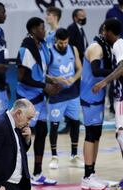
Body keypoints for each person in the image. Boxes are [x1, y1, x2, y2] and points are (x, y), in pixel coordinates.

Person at [92, 18, 123, 190]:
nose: (103, 34)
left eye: (104, 31)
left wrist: (103, 82)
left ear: (108, 31)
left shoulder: (119, 44)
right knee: (122, 135)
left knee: (122, 136)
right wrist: (121, 70)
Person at [16, 17, 60, 185]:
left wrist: (51, 81)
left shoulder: (40, 46)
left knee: (42, 132)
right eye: (42, 28)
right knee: (24, 138)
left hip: (40, 98)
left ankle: (37, 173)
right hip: (28, 100)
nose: (44, 31)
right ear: (33, 30)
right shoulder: (26, 49)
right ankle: (19, 172)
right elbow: (22, 77)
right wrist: (45, 86)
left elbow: (40, 72)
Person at [79, 24, 114, 190]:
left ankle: (92, 173)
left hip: (98, 96)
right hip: (90, 96)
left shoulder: (104, 47)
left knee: (97, 134)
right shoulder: (95, 47)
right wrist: (117, 71)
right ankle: (86, 176)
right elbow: (95, 70)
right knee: (91, 134)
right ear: (104, 32)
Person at [46, 28, 83, 169]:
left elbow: (79, 69)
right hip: (57, 95)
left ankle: (74, 155)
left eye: (66, 42)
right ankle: (54, 156)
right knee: (54, 125)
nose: (64, 45)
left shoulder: (73, 49)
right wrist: (55, 79)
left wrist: (73, 79)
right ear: (56, 40)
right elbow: (43, 74)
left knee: (75, 123)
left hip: (72, 93)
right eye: (61, 43)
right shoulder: (49, 52)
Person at [63, 8, 88, 134]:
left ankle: (74, 120)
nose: (83, 18)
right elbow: (71, 48)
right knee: (71, 94)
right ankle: (69, 122)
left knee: (77, 94)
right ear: (75, 17)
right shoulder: (72, 28)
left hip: (81, 65)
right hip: (73, 67)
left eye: (84, 16)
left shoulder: (80, 29)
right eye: (81, 16)